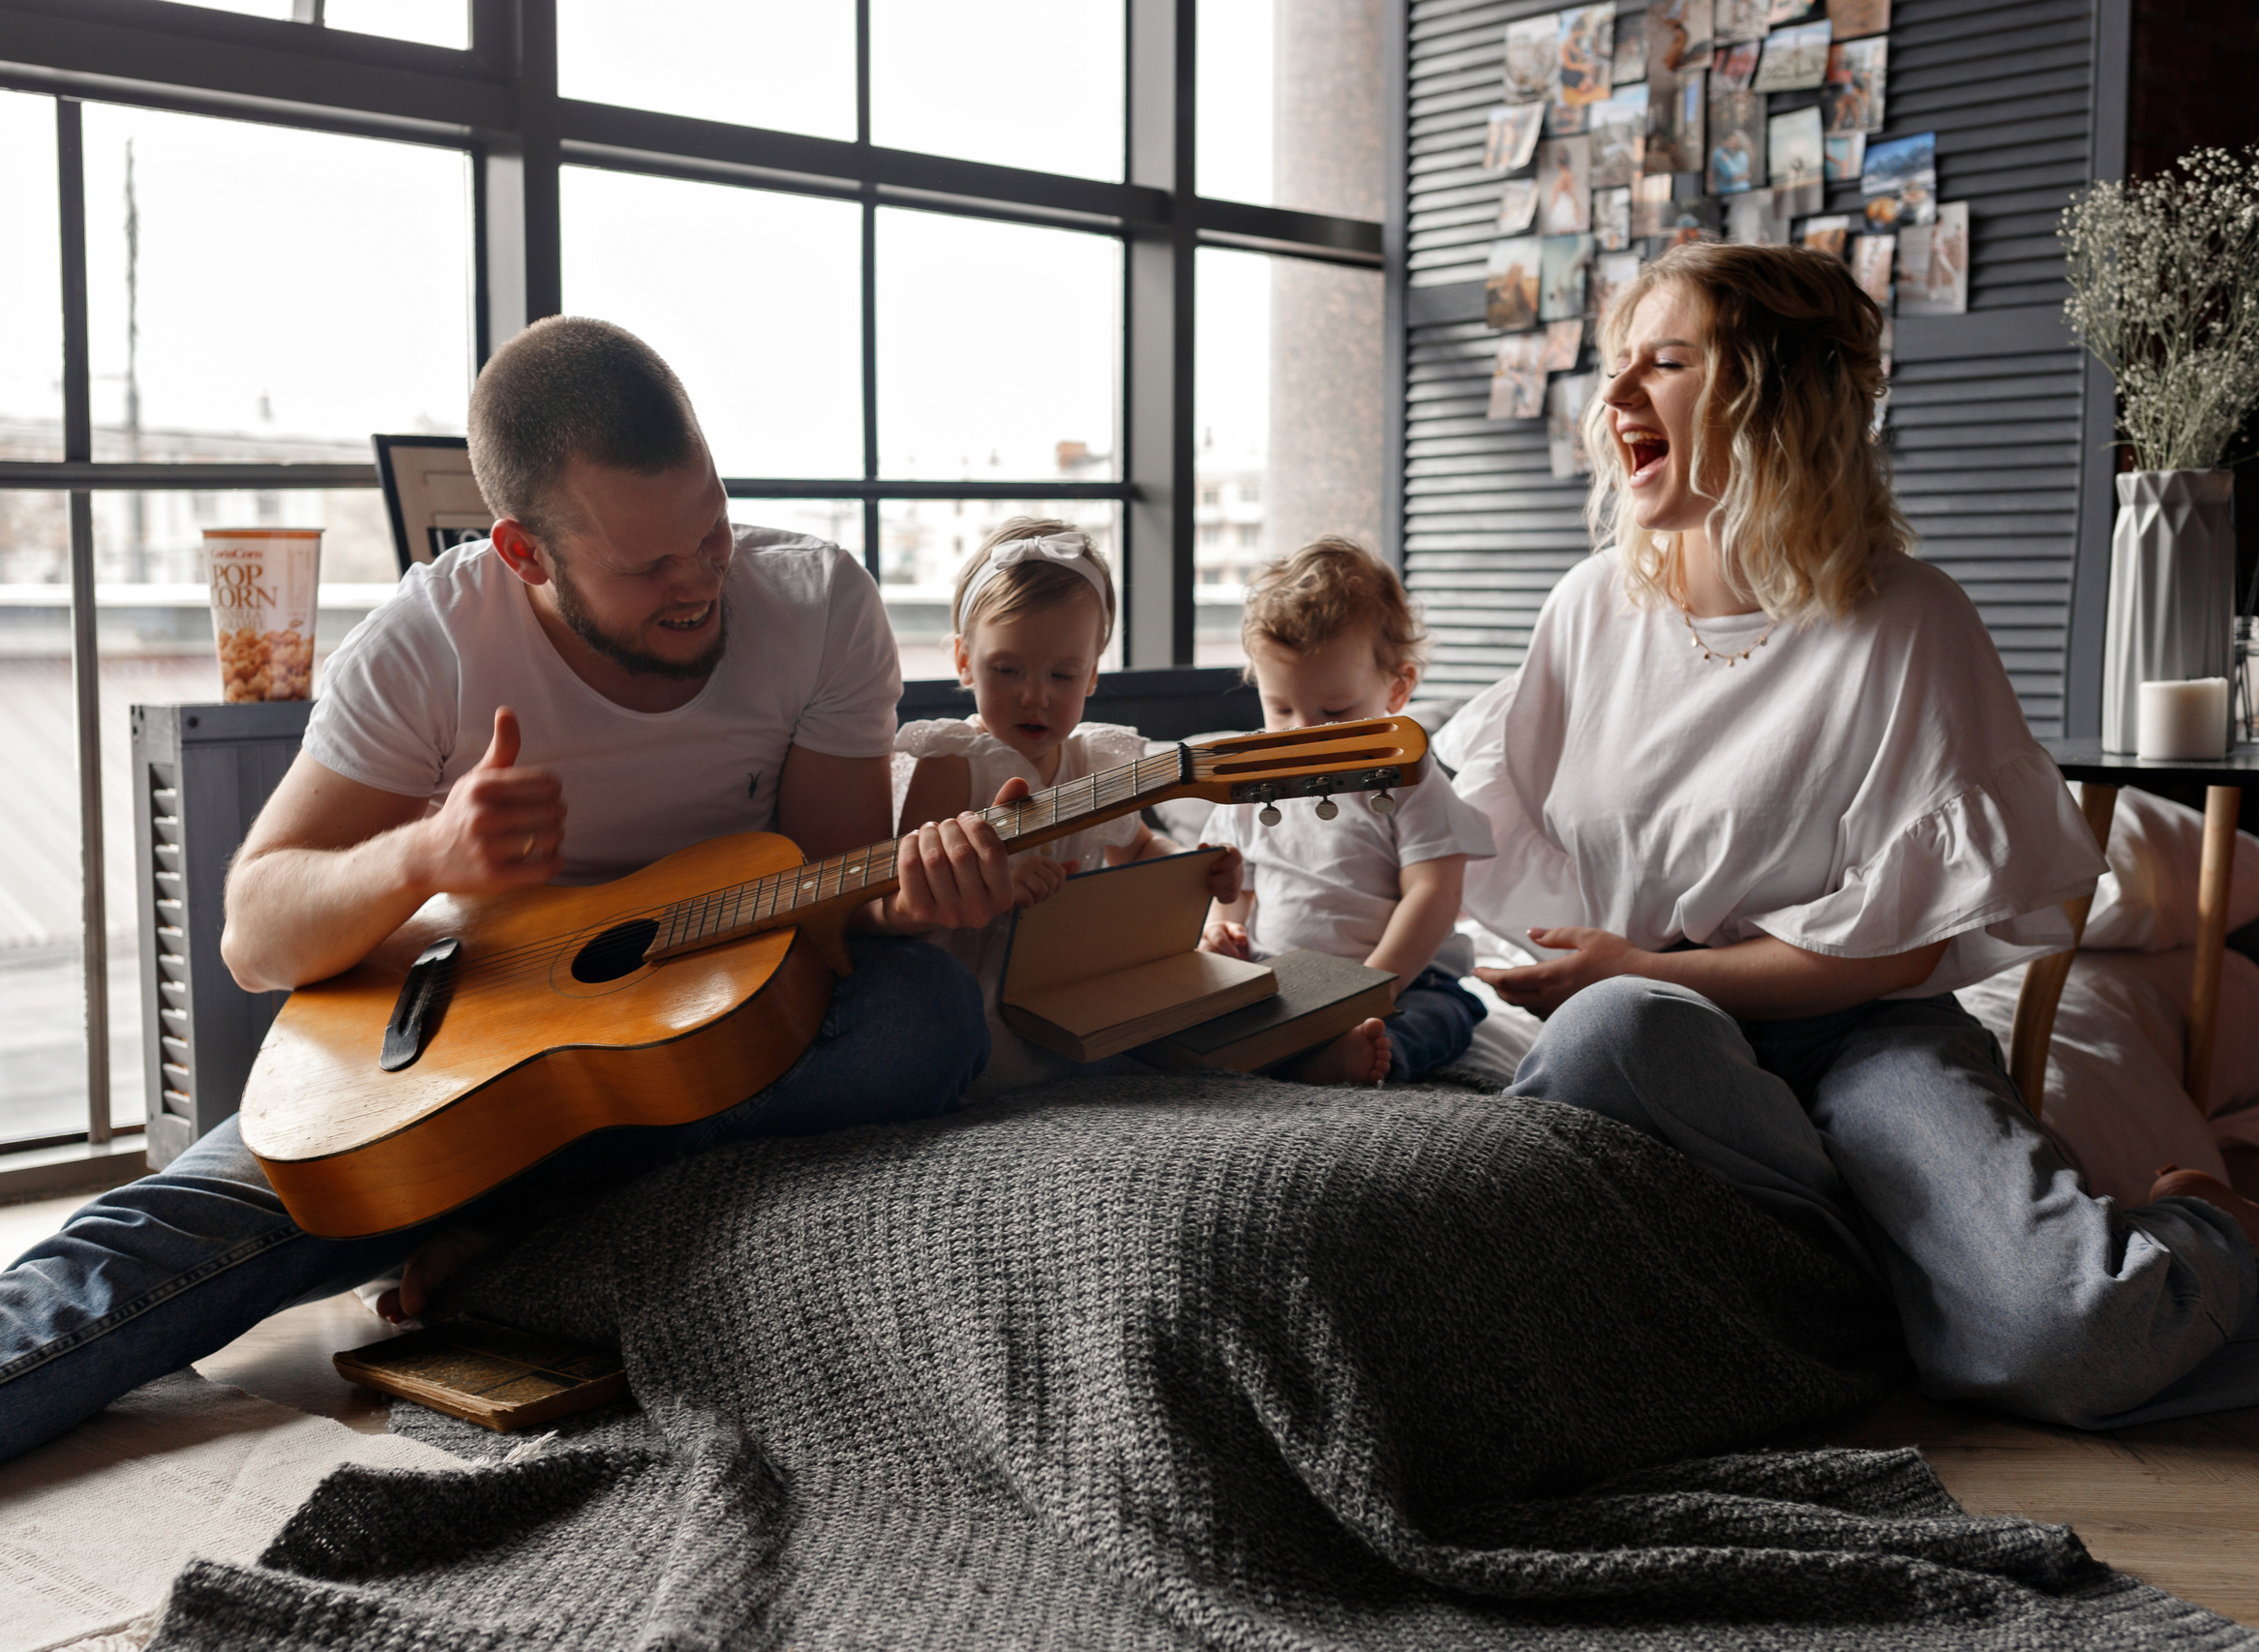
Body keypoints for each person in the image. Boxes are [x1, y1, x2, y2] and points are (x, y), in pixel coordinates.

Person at [0, 316, 1033, 1549]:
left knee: (918, 1011)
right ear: (523, 552)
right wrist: (423, 855)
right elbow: (256, 934)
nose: (701, 579)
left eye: (710, 527)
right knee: (125, 1259)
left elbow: (823, 895)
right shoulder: (435, 634)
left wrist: (908, 890)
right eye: (649, 566)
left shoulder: (814, 602)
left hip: (693, 1045)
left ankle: (510, 1235)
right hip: (452, 1051)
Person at [1432, 241, 2259, 1427]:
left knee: (2069, 1338)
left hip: (1861, 1034)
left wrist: (1651, 966)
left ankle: (2211, 1227)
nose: (1612, 399)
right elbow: (1490, 845)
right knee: (1612, 1031)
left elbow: (1904, 951)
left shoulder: (1907, 620)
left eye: (1663, 364)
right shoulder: (1585, 610)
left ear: (1777, 396)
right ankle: (1911, 1284)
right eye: (1614, 366)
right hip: (1660, 1043)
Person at [893, 518, 1236, 1095]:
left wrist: (1194, 864)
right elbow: (905, 886)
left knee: (1209, 1016)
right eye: (1007, 670)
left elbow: (1141, 845)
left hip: (1077, 988)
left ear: (1093, 676)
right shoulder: (953, 763)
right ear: (962, 661)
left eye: (1063, 674)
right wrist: (995, 877)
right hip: (973, 997)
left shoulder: (1096, 763)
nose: (1036, 695)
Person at [1199, 538, 1496, 1087]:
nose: (1303, 733)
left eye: (1334, 713)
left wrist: (1376, 986)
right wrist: (1223, 934)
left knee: (1443, 1017)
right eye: (1281, 708)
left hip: (1404, 980)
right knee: (1208, 1020)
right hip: (1280, 977)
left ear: (1397, 688)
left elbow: (1435, 892)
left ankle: (1355, 1057)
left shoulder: (1407, 776)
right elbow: (1235, 889)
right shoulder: (1252, 779)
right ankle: (1294, 1053)